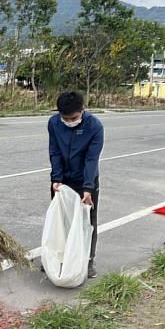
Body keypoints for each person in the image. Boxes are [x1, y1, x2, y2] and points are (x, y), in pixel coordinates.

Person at [48, 90, 104, 279]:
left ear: (83, 110)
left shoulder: (94, 126)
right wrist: (56, 179)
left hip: (85, 180)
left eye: (73, 118)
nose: (69, 121)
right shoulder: (54, 123)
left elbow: (91, 159)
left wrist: (88, 188)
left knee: (87, 221)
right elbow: (54, 151)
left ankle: (87, 261)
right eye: (65, 118)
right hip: (62, 179)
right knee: (61, 219)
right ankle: (58, 258)